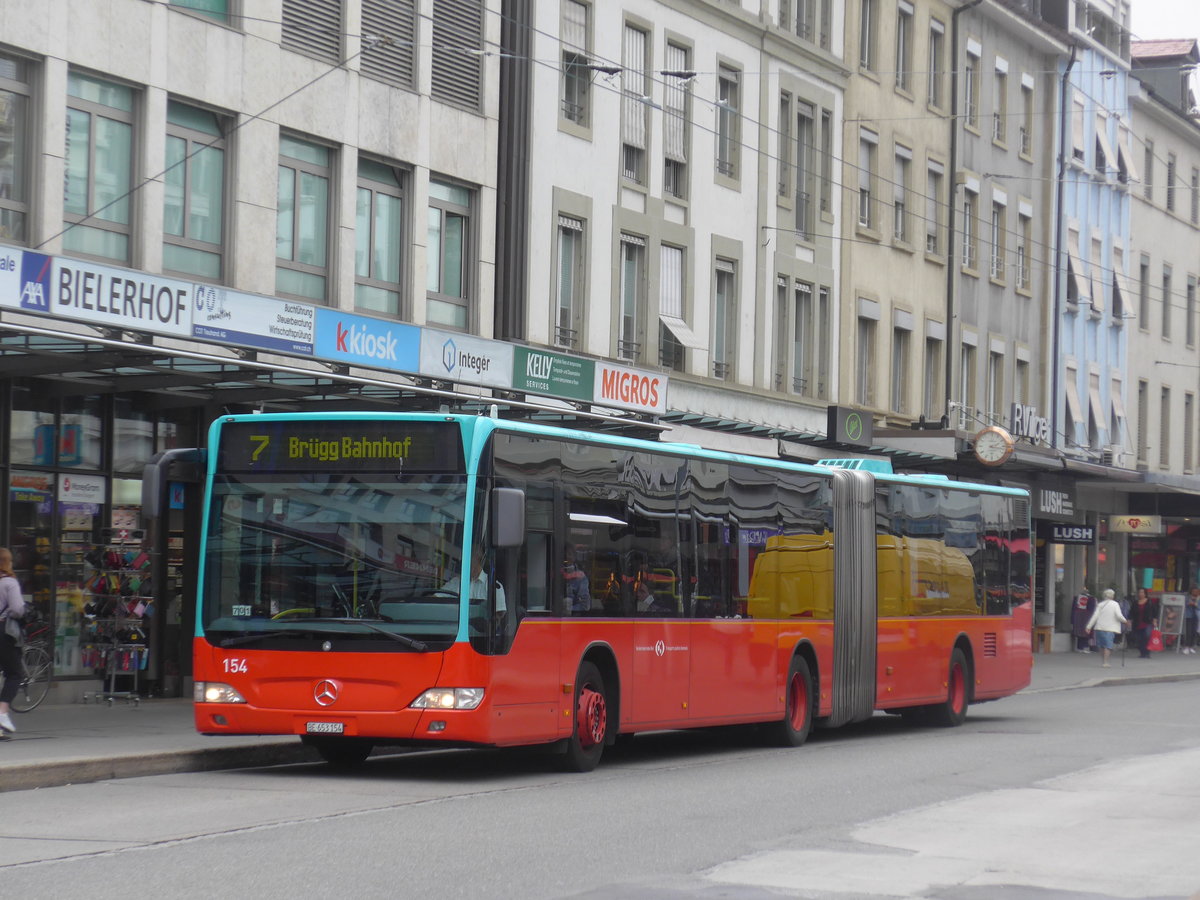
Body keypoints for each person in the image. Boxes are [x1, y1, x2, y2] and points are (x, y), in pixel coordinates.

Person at [0, 547, 27, 735]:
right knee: (15, 673)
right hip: (3, 631)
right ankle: (2, 713)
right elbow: (17, 609)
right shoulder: (9, 583)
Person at [441, 545, 506, 614]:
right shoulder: (456, 582)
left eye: (469, 556)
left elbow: (499, 615)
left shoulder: (494, 586)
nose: (464, 560)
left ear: (480, 559)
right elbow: (435, 598)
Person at [1086, 588, 1129, 668]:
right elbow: (1119, 615)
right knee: (1108, 646)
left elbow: (1095, 616)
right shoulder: (1115, 604)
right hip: (1110, 628)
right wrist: (1125, 621)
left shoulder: (1100, 604)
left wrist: (1089, 626)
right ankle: (1106, 662)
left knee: (1102, 646)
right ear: (1112, 596)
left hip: (1099, 628)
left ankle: (1103, 661)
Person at [1129, 588, 1158, 659]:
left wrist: (1154, 620)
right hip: (1137, 622)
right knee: (1139, 638)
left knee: (1147, 636)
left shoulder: (1149, 602)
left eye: (1142, 592)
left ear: (1145, 594)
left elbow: (1155, 612)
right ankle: (1142, 652)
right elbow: (1131, 612)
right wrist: (1129, 620)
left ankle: (1147, 652)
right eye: (1139, 592)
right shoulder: (1135, 603)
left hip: (1147, 622)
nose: (1141, 594)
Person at [1184, 588, 1199, 654]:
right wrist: (1192, 603)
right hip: (1188, 616)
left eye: (1197, 591)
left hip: (1196, 616)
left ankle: (1191, 646)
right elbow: (1186, 604)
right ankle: (1187, 646)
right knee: (1189, 631)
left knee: (1194, 631)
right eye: (1194, 591)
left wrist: (1196, 604)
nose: (1195, 592)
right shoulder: (1187, 597)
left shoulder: (1198, 598)